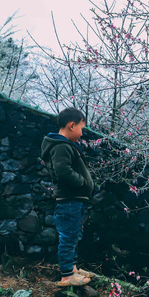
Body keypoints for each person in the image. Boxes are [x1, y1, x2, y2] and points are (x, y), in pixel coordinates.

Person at [41, 107, 95, 287]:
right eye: (81, 128)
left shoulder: (65, 145)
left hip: (75, 201)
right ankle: (66, 275)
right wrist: (81, 182)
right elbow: (62, 171)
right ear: (72, 125)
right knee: (68, 236)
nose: (82, 133)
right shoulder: (61, 146)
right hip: (70, 201)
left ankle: (72, 269)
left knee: (73, 235)